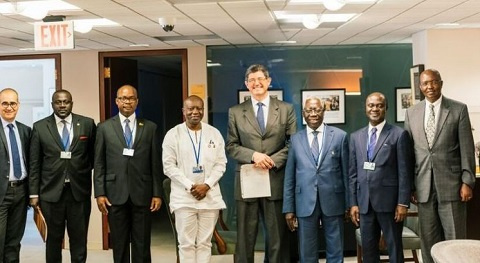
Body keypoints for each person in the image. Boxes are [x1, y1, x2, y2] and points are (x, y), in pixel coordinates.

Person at [226, 64, 297, 263]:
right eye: (252, 80)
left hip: (275, 178)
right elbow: (231, 146)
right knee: (245, 238)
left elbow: (293, 143)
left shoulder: (285, 109)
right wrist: (254, 155)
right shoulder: (236, 112)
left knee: (277, 238)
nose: (256, 83)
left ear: (268, 81)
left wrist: (272, 160)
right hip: (247, 180)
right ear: (246, 85)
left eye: (260, 79)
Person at [404, 69, 475, 263]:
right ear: (420, 87)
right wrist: (411, 186)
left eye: (434, 82)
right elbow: (408, 154)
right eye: (426, 83)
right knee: (429, 241)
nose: (430, 87)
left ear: (441, 84)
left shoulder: (458, 109)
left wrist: (467, 181)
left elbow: (467, 148)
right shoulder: (411, 113)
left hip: (452, 187)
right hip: (423, 188)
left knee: (455, 241)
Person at [94, 84, 162, 263]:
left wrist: (157, 193)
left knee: (142, 243)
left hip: (142, 192)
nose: (127, 102)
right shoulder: (104, 128)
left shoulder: (150, 127)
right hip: (114, 194)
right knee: (119, 242)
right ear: (117, 101)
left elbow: (155, 163)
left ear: (137, 101)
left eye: (131, 98)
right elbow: (99, 162)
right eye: (123, 98)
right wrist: (99, 193)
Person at [29, 90, 96, 263]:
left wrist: (79, 171)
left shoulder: (87, 124)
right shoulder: (40, 127)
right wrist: (34, 194)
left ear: (72, 103)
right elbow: (35, 163)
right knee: (53, 241)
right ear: (52, 105)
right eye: (58, 102)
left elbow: (93, 157)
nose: (62, 105)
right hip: (50, 194)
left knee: (79, 240)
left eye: (66, 102)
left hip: (78, 193)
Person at [283, 97, 349, 263]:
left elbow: (347, 174)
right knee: (307, 252)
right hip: (304, 202)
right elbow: (290, 177)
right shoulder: (295, 139)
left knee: (335, 249)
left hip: (334, 201)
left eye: (317, 110)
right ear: (303, 114)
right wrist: (288, 208)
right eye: (309, 110)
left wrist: (350, 203)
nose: (313, 113)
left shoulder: (340, 136)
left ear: (323, 112)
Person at [349, 92, 412, 263]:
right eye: (371, 105)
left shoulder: (399, 135)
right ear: (365, 108)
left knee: (394, 249)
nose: (375, 109)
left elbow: (404, 172)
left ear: (386, 108)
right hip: (365, 204)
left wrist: (403, 202)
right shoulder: (356, 137)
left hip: (390, 205)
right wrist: (353, 203)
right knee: (369, 250)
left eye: (379, 105)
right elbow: (353, 173)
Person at [162, 95, 227, 263]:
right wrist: (191, 186)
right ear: (184, 111)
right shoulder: (173, 134)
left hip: (209, 196)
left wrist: (206, 185)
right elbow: (168, 166)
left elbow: (221, 164)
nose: (195, 112)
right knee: (186, 244)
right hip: (184, 199)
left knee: (205, 243)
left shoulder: (214, 133)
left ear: (203, 110)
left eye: (199, 108)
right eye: (190, 109)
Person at [0, 88, 31, 262]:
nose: (9, 107)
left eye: (13, 103)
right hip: (0, 194)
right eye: (4, 103)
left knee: (14, 242)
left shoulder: (26, 131)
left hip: (20, 193)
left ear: (18, 105)